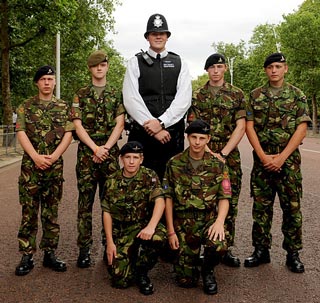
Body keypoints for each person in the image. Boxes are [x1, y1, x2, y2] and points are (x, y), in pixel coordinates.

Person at [244, 52, 312, 273]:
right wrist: (263, 156)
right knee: (261, 209)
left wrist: (282, 157)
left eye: (278, 66)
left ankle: (293, 254)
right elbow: (249, 126)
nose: (274, 70)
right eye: (270, 67)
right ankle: (261, 251)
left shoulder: (297, 95)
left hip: (289, 163)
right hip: (262, 161)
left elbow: (302, 128)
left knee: (292, 209)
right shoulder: (255, 96)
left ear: (286, 69)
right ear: (265, 70)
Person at [15, 65, 74, 276]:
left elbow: (69, 133)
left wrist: (55, 156)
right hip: (31, 168)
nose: (47, 83)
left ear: (55, 81)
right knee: (29, 213)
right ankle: (27, 255)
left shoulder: (64, 107)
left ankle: (50, 253)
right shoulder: (26, 106)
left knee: (51, 213)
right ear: (37, 83)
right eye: (43, 79)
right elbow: (20, 132)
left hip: (54, 168)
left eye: (50, 79)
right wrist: (36, 157)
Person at [189, 53, 246, 267]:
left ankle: (225, 248)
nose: (215, 71)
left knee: (229, 201)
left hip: (228, 155)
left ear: (225, 70)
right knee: (201, 201)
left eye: (219, 67)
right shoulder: (197, 95)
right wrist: (207, 151)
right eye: (211, 67)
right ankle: (201, 247)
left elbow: (241, 126)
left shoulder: (236, 94)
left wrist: (222, 153)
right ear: (207, 70)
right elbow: (192, 126)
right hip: (201, 153)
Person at [163, 119, 231, 295]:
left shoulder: (218, 165)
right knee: (186, 282)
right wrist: (171, 231)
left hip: (207, 220)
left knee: (219, 244)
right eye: (193, 137)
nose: (197, 142)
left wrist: (219, 222)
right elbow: (168, 198)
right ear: (187, 137)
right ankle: (190, 263)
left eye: (202, 138)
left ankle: (208, 270)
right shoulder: (174, 163)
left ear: (208, 139)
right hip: (182, 223)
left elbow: (224, 197)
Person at [71, 50, 125, 268]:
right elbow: (77, 124)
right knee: (85, 204)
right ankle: (84, 249)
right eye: (95, 66)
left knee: (109, 203)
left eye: (103, 65)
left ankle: (108, 245)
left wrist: (106, 148)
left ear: (107, 67)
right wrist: (95, 148)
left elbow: (119, 123)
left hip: (109, 155)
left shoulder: (115, 93)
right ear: (90, 69)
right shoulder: (80, 94)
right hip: (87, 155)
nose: (99, 69)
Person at [122, 13, 192, 181]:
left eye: (162, 33)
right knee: (141, 185)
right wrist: (152, 128)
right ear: (147, 37)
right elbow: (131, 98)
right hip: (142, 135)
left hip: (171, 135)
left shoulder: (179, 63)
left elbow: (184, 99)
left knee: (170, 184)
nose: (158, 36)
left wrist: (161, 123)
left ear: (167, 36)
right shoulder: (134, 62)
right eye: (154, 33)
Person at [101, 141, 166, 295]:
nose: (131, 161)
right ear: (121, 159)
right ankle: (130, 259)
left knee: (158, 237)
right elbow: (107, 212)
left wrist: (151, 226)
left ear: (141, 159)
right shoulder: (112, 181)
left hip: (143, 225)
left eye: (135, 157)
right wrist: (110, 242)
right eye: (127, 157)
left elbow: (160, 201)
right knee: (120, 280)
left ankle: (142, 271)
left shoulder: (149, 176)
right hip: (121, 230)